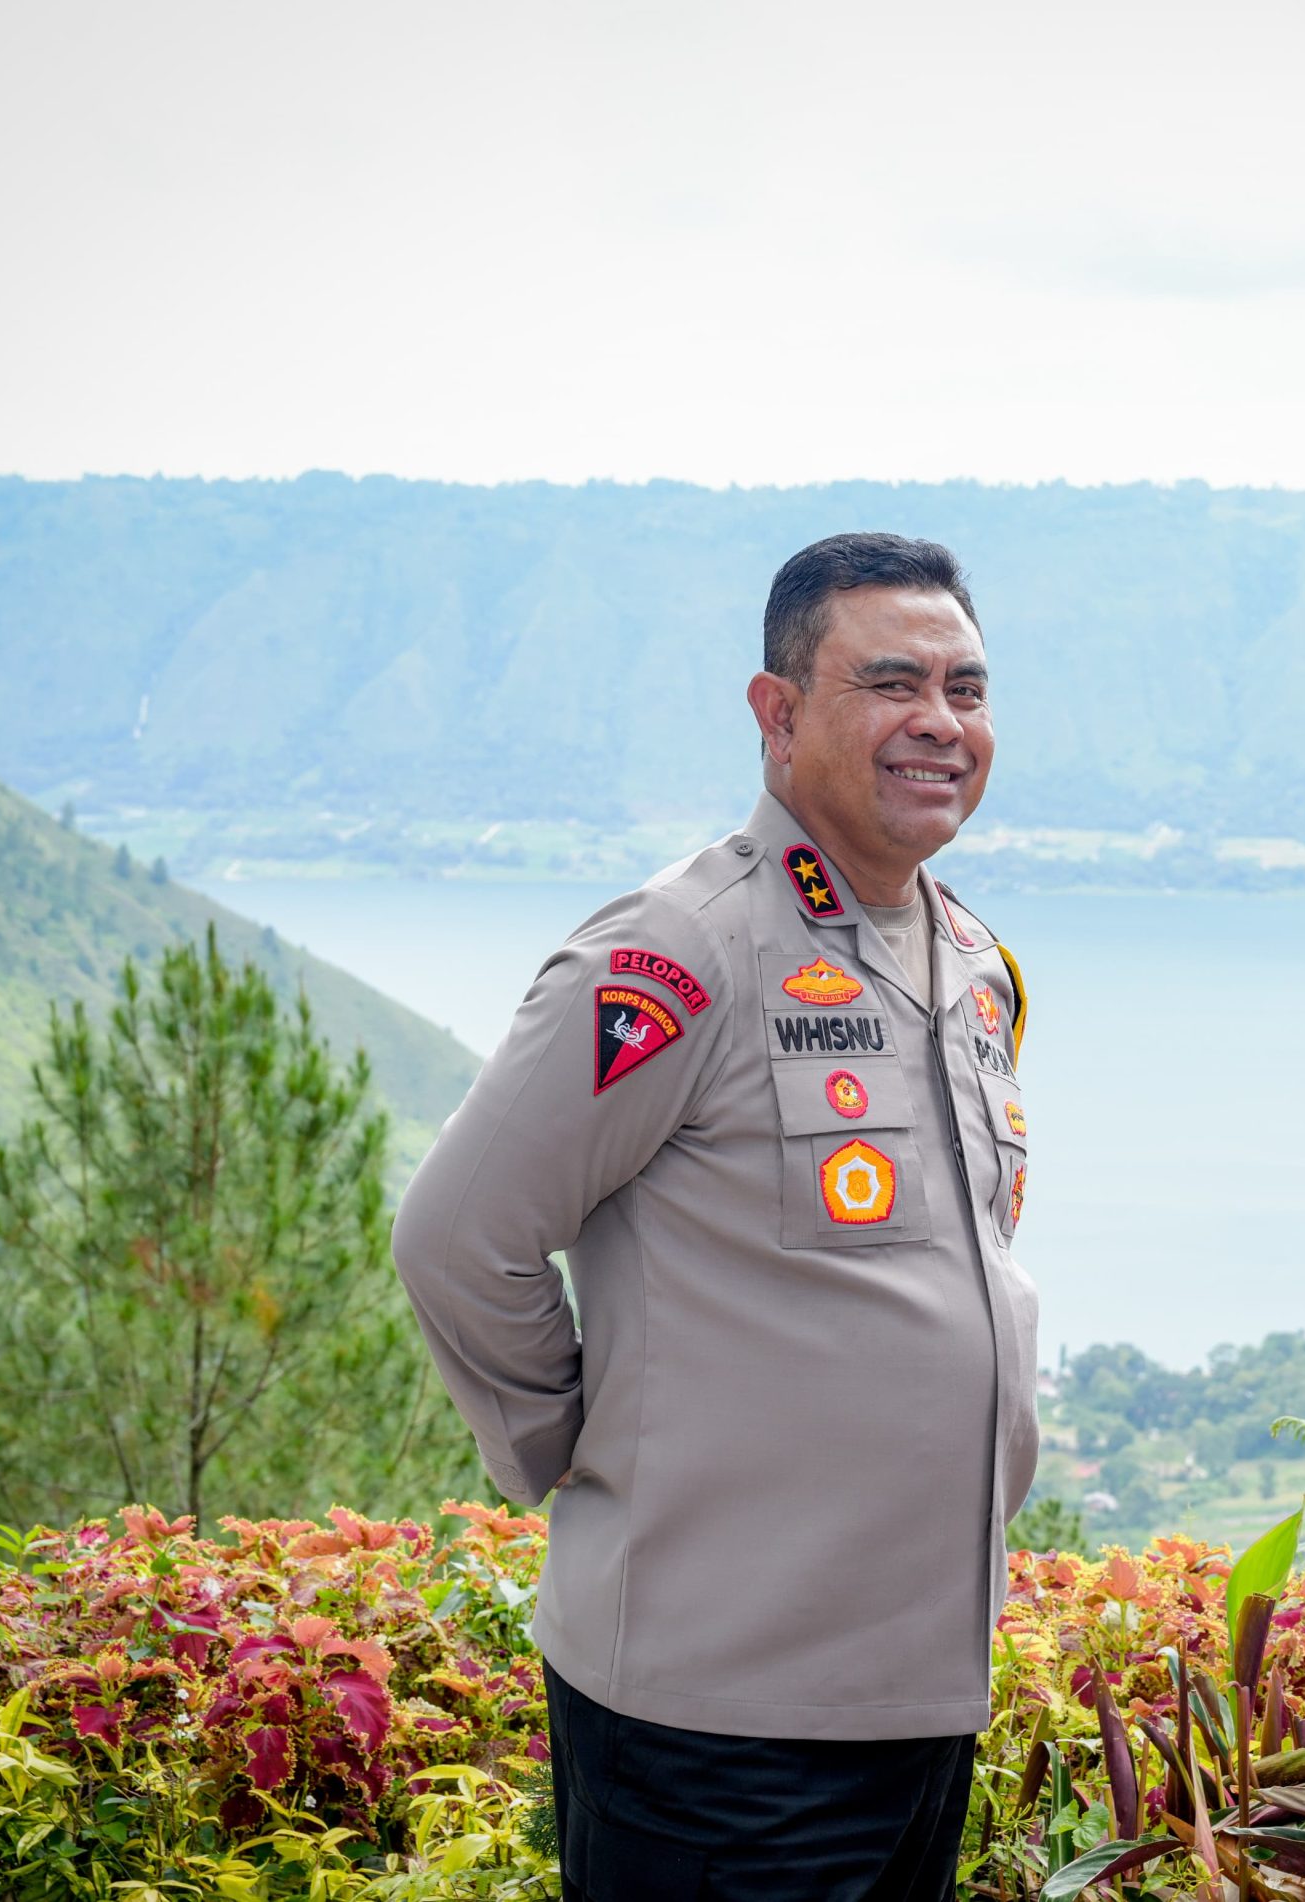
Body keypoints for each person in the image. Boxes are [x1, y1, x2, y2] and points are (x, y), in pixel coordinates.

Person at [393, 532, 1037, 1901]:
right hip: (714, 1723)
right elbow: (459, 1234)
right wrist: (576, 1446)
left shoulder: (974, 964)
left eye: (967, 689)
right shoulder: (679, 953)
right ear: (778, 713)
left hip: (921, 1702)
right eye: (893, 683)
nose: (941, 721)